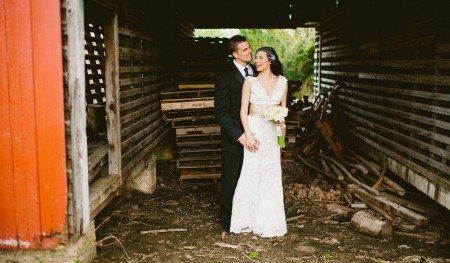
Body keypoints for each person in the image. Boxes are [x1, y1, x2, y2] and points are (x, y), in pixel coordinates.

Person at [230, 46, 288, 237]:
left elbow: (283, 110)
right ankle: (247, 219)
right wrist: (248, 135)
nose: (257, 60)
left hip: (272, 133)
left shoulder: (283, 82)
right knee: (252, 171)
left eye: (261, 57)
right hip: (255, 130)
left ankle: (269, 220)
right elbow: (242, 111)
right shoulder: (249, 81)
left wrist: (281, 124)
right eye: (255, 58)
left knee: (270, 173)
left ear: (270, 60)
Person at [214, 35, 258, 232]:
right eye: (244, 50)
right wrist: (239, 136)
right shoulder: (225, 76)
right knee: (232, 177)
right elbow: (221, 112)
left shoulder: (255, 71)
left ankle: (249, 214)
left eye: (249, 48)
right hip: (234, 137)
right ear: (234, 54)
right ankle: (228, 218)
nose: (249, 52)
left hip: (255, 132)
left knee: (251, 175)